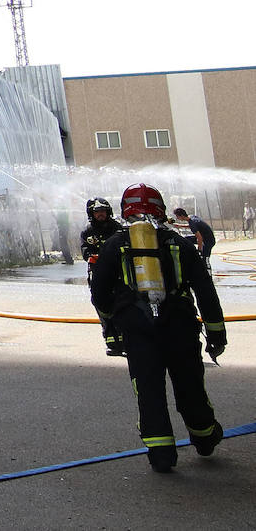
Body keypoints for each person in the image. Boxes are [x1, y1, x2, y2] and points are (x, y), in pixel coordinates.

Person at [90, 183, 226, 473]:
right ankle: (204, 438)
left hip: (138, 331)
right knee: (190, 383)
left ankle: (162, 454)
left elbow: (99, 293)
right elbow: (206, 292)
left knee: (149, 390)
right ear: (161, 209)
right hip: (180, 326)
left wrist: (114, 323)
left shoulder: (115, 245)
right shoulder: (180, 243)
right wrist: (217, 334)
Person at [79, 197, 125, 356]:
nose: (100, 215)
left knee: (121, 302)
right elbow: (85, 250)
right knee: (101, 303)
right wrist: (92, 256)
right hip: (98, 273)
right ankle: (111, 338)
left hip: (118, 272)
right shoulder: (88, 231)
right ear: (92, 214)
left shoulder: (117, 228)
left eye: (103, 211)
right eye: (97, 212)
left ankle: (123, 337)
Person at [173, 208, 216, 273]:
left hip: (208, 241)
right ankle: (189, 253)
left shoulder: (192, 223)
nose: (177, 218)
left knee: (205, 259)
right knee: (185, 240)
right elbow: (194, 226)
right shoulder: (192, 217)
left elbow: (199, 238)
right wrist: (180, 226)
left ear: (181, 216)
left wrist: (199, 250)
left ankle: (208, 275)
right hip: (205, 237)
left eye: (177, 216)